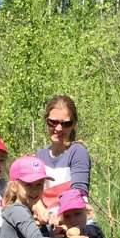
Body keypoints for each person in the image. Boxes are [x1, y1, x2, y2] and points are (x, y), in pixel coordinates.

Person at [33, 95, 91, 227]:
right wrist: (39, 208)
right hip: (46, 227)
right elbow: (31, 192)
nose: (58, 128)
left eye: (65, 123)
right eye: (53, 122)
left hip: (71, 225)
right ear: (46, 121)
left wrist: (59, 216)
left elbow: (79, 192)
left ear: (73, 124)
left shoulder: (77, 152)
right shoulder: (39, 156)